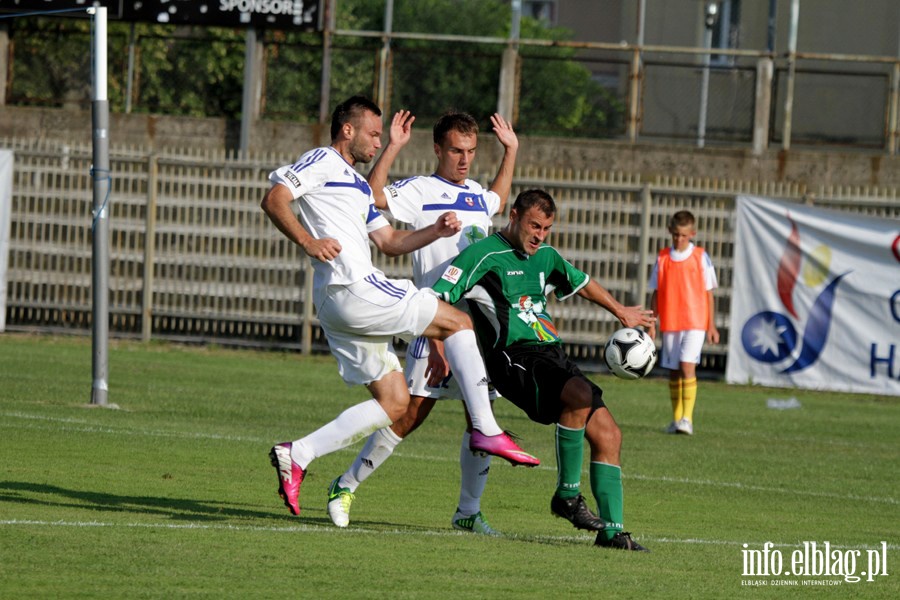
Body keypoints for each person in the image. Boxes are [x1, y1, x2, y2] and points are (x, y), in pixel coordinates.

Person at [260, 96, 539, 518]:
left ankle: (298, 454)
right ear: (348, 130)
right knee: (458, 323)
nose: (378, 141)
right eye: (373, 133)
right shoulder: (322, 158)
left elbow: (390, 243)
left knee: (394, 404)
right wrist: (308, 241)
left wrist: (433, 229)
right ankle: (486, 432)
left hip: (344, 304)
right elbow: (275, 198)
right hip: (355, 287)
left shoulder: (354, 186)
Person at [325, 110, 518, 535]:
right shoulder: (420, 190)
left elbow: (498, 199)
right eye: (455, 150)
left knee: (479, 419)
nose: (464, 159)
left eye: (470, 151)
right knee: (408, 415)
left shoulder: (474, 194)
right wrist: (392, 145)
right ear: (437, 149)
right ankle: (345, 484)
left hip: (473, 331)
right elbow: (371, 195)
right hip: (430, 324)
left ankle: (468, 511)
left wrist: (512, 151)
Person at [431, 189, 654, 551]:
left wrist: (621, 312)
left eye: (547, 228)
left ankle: (612, 533)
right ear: (514, 215)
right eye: (535, 225)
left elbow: (581, 282)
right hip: (514, 359)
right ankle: (567, 497)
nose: (540, 235)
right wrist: (436, 348)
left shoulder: (545, 256)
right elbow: (438, 298)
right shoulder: (483, 255)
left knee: (609, 434)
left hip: (552, 356)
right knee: (579, 396)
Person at [646, 210, 719, 436]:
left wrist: (711, 325)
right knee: (675, 372)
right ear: (670, 232)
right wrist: (652, 322)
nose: (679, 239)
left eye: (684, 236)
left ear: (692, 234)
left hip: (695, 321)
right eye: (676, 235)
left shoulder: (700, 256)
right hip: (671, 320)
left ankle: (687, 419)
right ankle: (677, 419)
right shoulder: (663, 257)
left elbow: (708, 293)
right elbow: (656, 292)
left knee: (688, 366)